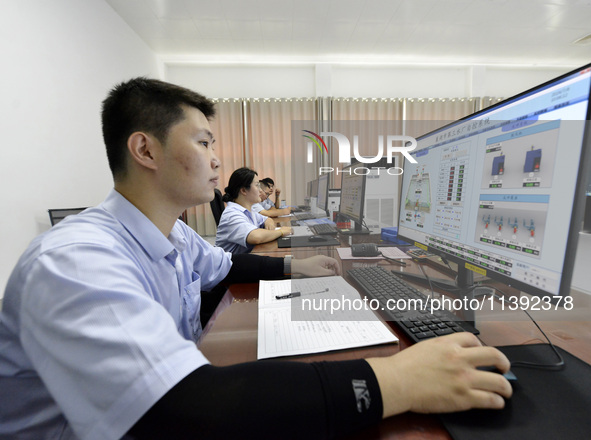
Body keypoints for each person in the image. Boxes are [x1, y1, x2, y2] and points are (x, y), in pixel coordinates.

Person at [0, 77, 513, 440]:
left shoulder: (174, 234)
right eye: (203, 142)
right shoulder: (76, 260)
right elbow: (184, 408)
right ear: (146, 150)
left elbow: (228, 266)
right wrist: (399, 380)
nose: (218, 159)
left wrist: (299, 267)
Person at [215, 167, 292, 253]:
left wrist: (268, 223)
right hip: (232, 264)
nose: (260, 190)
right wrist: (281, 231)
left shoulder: (248, 210)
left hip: (244, 258)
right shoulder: (232, 214)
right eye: (257, 185)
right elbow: (255, 237)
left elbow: (267, 219)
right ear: (244, 190)